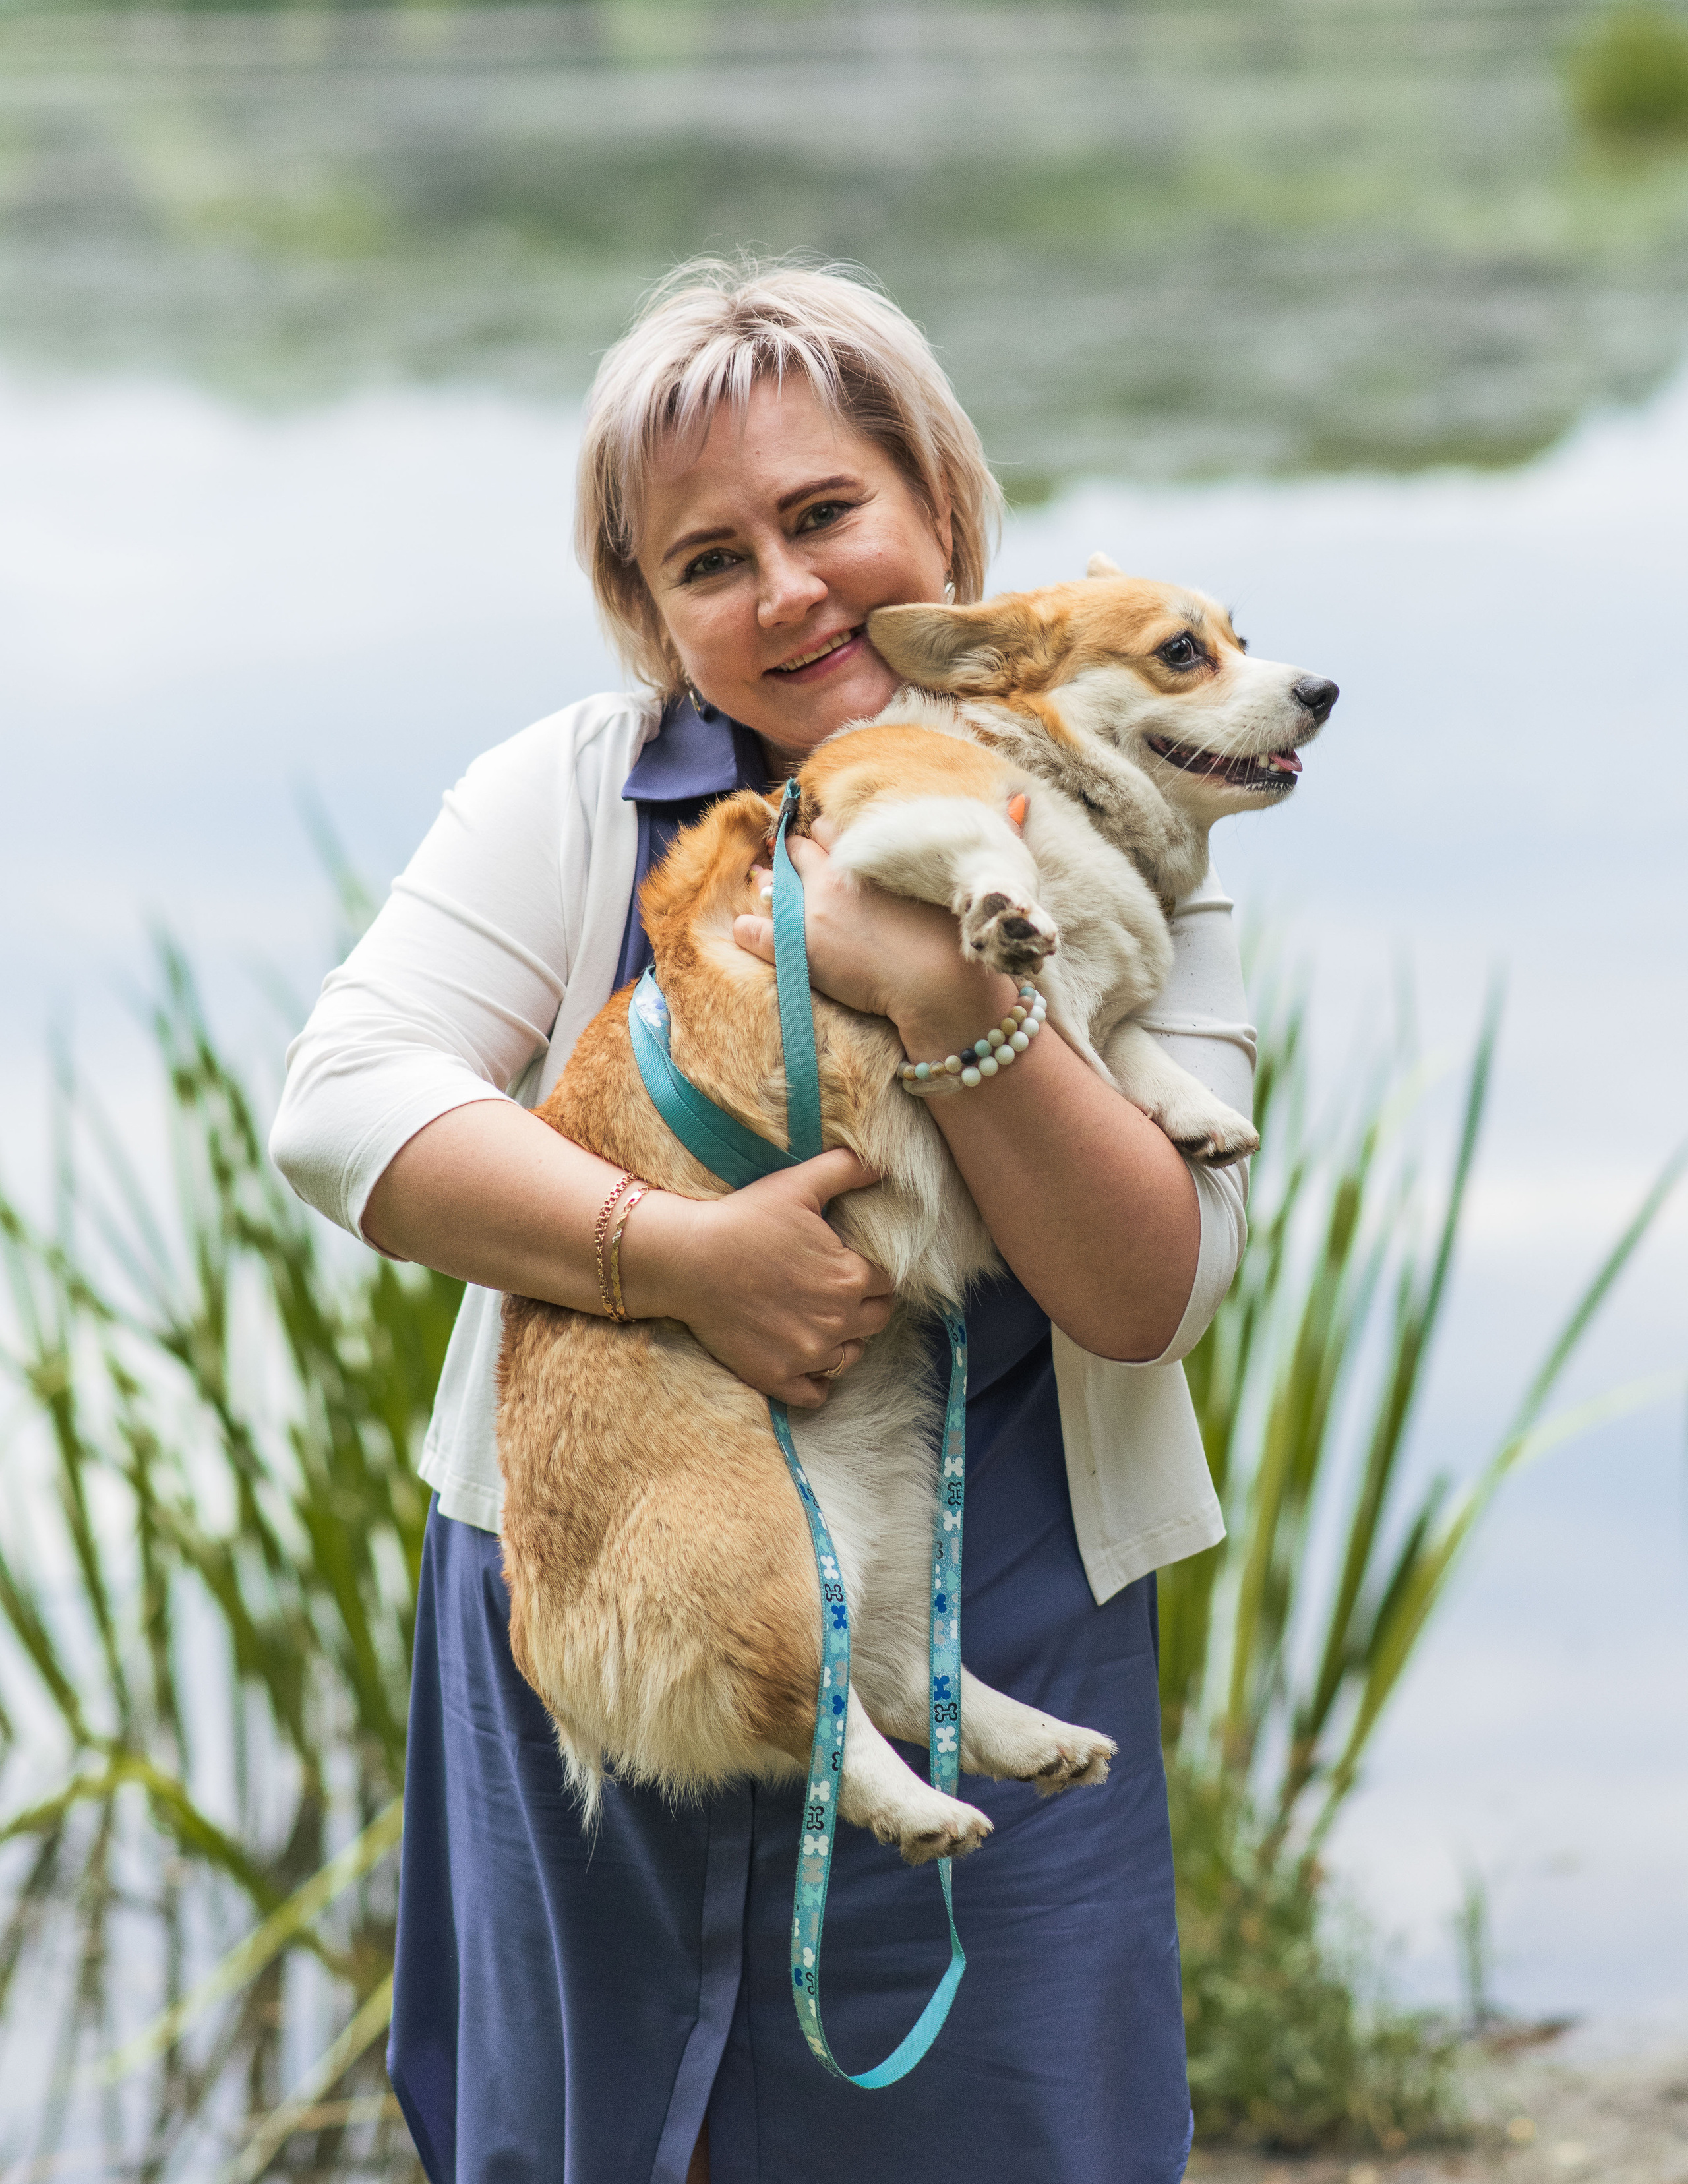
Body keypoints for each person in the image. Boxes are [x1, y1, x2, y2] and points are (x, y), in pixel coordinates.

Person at [270, 255, 1255, 2184]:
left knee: (1003, 2128)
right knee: (602, 2138)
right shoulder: (570, 795)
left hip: (1006, 1610)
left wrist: (942, 984)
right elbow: (342, 1110)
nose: (787, 590)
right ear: (648, 612)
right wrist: (681, 1257)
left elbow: (1151, 1290)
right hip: (608, 1575)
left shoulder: (1139, 806)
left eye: (826, 516)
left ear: (942, 516)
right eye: (707, 561)